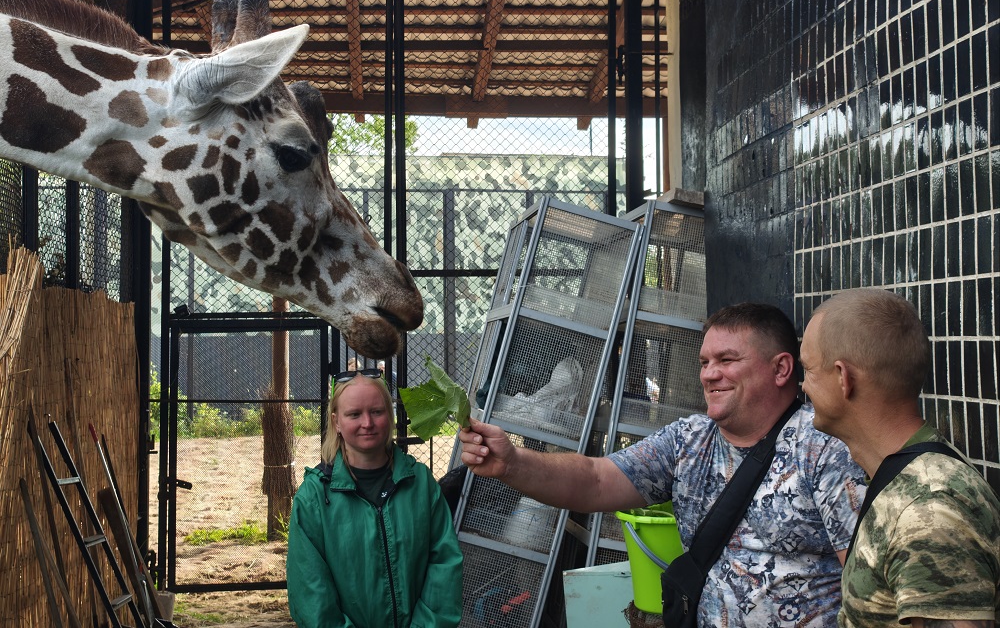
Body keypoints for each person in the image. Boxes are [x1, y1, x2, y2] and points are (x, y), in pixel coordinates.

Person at [459, 302, 865, 627]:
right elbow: (596, 480)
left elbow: (867, 584)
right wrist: (512, 463)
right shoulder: (688, 439)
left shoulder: (824, 449)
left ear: (780, 369)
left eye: (726, 360)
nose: (710, 375)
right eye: (705, 362)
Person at [800, 287, 1000, 627]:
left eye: (808, 369)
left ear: (843, 378)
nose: (803, 385)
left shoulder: (929, 509)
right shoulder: (905, 480)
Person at [287, 369, 463, 628]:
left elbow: (444, 565)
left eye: (377, 412)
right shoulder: (314, 497)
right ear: (336, 421)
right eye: (354, 414)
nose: (367, 423)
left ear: (390, 416)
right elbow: (310, 592)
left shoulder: (420, 484)